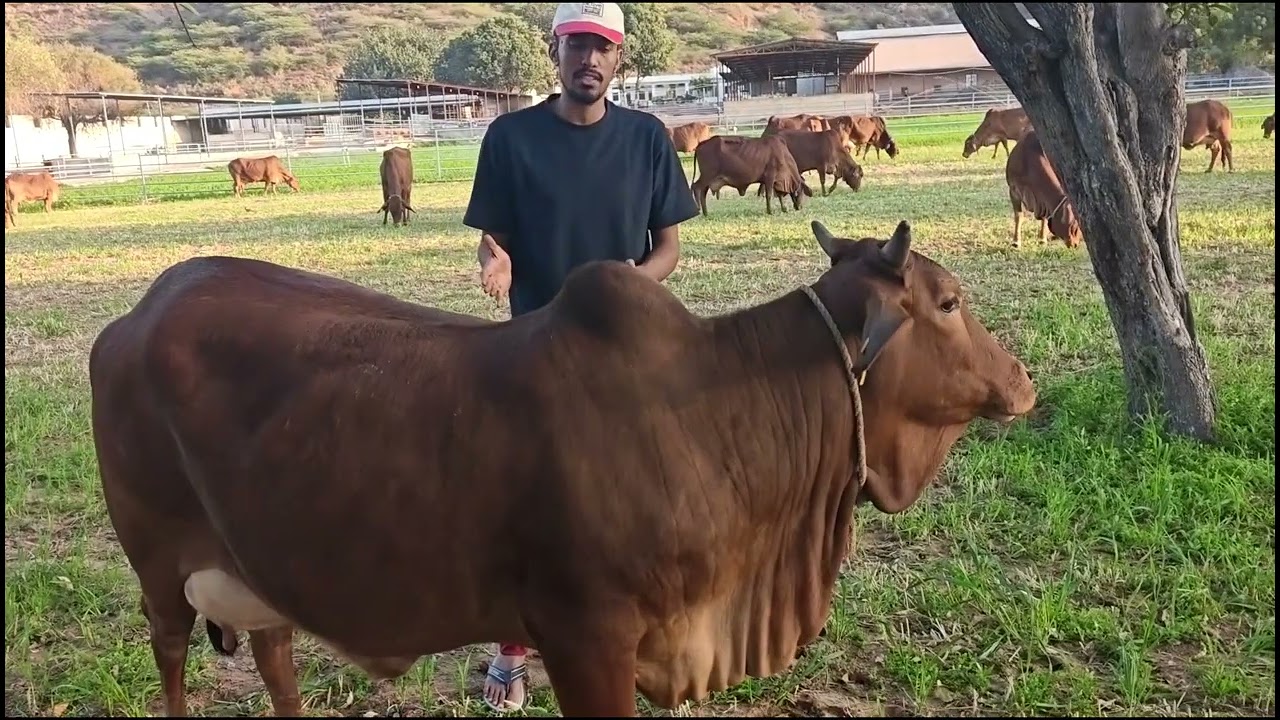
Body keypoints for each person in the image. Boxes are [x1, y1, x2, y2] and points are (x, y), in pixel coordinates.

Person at [461, 1, 701, 713]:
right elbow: (492, 239)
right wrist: (496, 260)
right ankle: (511, 650)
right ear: (555, 51)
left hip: (625, 347)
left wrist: (633, 282)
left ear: (619, 57)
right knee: (530, 504)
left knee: (629, 498)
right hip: (535, 350)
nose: (588, 59)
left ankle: (633, 634)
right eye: (576, 45)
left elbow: (668, 246)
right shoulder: (511, 137)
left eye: (602, 47)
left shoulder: (646, 138)